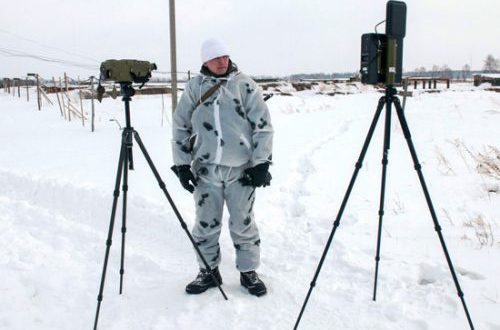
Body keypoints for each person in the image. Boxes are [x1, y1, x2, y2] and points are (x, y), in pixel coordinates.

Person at [171, 38, 273, 297]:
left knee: (243, 223)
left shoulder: (244, 85)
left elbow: (263, 126)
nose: (222, 62)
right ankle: (208, 270)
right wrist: (182, 165)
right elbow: (181, 126)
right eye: (216, 58)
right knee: (205, 224)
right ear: (205, 60)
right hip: (205, 170)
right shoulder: (195, 88)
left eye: (225, 57)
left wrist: (261, 163)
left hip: (241, 171)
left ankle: (248, 272)